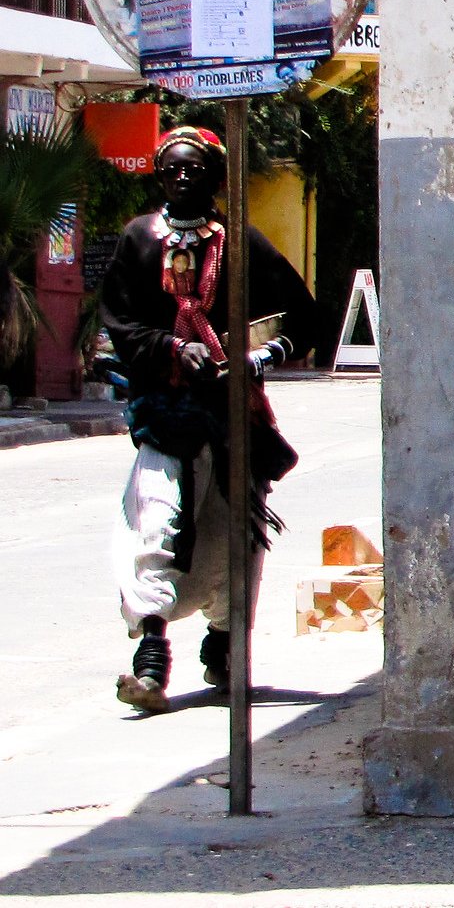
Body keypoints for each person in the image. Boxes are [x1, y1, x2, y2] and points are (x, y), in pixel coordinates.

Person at [101, 125, 323, 713]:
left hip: (230, 415)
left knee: (234, 532)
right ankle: (151, 661)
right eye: (171, 169)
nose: (181, 178)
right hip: (164, 414)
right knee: (154, 518)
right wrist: (173, 350)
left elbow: (303, 317)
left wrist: (258, 355)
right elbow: (120, 322)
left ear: (215, 177)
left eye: (193, 169)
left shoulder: (242, 243)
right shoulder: (138, 240)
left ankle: (224, 649)